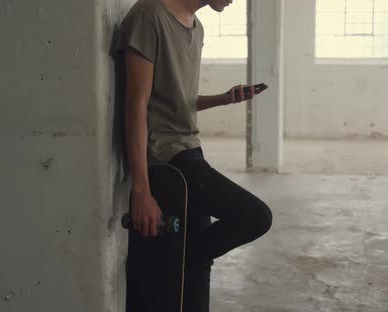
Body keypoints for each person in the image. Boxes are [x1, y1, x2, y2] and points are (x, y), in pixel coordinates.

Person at [112, 0, 273, 310]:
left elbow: (179, 102)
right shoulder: (149, 17)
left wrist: (226, 99)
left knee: (199, 266)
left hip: (191, 151)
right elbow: (136, 105)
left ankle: (164, 263)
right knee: (255, 216)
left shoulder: (196, 28)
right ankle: (162, 263)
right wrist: (141, 192)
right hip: (167, 158)